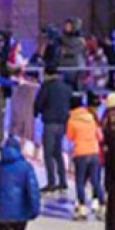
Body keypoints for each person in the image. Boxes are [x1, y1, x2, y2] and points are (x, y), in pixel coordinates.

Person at [34, 65, 75, 194]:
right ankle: (62, 180)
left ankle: (51, 181)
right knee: (58, 152)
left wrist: (36, 112)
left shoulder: (46, 87)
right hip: (62, 123)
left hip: (50, 122)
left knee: (48, 153)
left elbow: (39, 103)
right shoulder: (67, 88)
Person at [67, 96, 105, 220]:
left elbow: (70, 136)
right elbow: (100, 136)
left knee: (80, 181)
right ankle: (102, 204)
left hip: (80, 152)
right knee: (95, 180)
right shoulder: (92, 118)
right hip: (94, 152)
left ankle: (82, 207)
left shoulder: (72, 120)